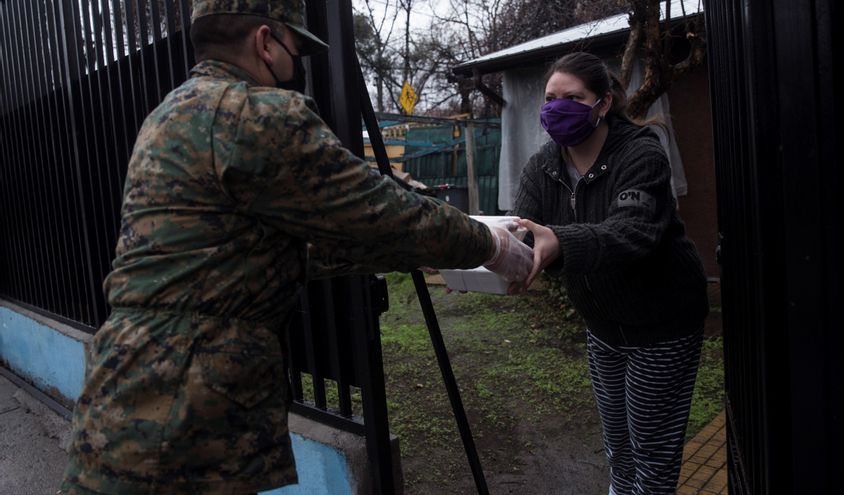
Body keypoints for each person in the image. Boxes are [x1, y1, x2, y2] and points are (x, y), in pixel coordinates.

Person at [59, 1, 532, 494]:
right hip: (182, 416)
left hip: (122, 396)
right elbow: (380, 212)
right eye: (296, 49)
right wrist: (489, 245)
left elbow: (271, 254)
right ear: (265, 42)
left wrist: (417, 251)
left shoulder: (169, 118)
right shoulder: (255, 114)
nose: (297, 67)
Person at [513, 51, 708, 495]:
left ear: (602, 104)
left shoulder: (640, 153)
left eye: (573, 97)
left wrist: (560, 241)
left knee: (652, 456)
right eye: (549, 98)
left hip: (661, 326)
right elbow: (521, 230)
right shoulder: (543, 166)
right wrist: (483, 255)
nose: (557, 107)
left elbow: (632, 233)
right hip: (603, 327)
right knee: (618, 448)